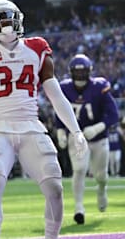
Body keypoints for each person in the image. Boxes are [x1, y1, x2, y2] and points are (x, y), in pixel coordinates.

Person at [0, 0, 87, 239]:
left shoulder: (37, 47)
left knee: (54, 187)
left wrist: (76, 130)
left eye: (10, 21)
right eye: (1, 23)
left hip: (31, 126)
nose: (7, 27)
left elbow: (56, 95)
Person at [54, 54, 119, 225]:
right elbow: (60, 111)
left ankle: (102, 189)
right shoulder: (65, 88)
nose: (81, 76)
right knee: (80, 170)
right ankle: (79, 208)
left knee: (101, 175)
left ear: (89, 72)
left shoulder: (100, 86)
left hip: (98, 138)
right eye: (77, 72)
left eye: (83, 72)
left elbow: (113, 114)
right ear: (71, 73)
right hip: (77, 136)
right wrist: (60, 130)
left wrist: (98, 127)